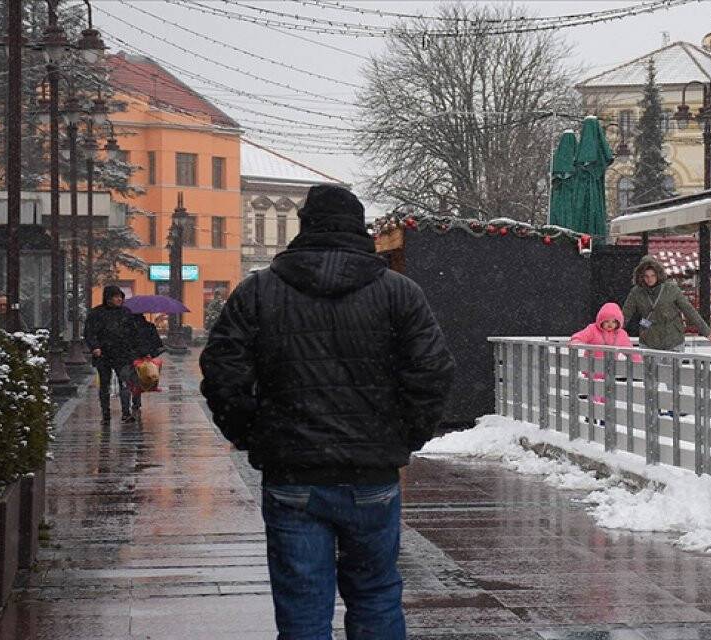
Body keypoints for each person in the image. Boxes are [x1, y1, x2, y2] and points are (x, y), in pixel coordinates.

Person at [200, 184, 455, 640]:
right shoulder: (399, 293)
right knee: (376, 594)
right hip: (370, 472)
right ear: (359, 229)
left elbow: (223, 369)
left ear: (304, 227)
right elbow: (432, 370)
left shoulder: (259, 291)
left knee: (302, 605)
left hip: (292, 470)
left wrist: (251, 432)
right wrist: (403, 435)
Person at [620, 255, 711, 352]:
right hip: (648, 340)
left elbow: (689, 310)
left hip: (673, 340)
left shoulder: (671, 289)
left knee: (673, 363)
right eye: (646, 276)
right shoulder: (636, 292)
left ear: (658, 274)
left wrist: (706, 331)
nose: (650, 279)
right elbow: (626, 313)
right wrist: (615, 329)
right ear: (641, 276)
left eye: (653, 275)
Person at [85, 285, 142, 425]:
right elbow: (89, 333)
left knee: (125, 383)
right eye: (116, 296)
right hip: (103, 355)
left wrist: (136, 350)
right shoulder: (96, 313)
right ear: (108, 298)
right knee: (105, 384)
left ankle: (126, 413)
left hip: (122, 354)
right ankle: (105, 414)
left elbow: (134, 333)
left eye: (120, 296)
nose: (119, 299)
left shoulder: (126, 313)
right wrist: (95, 347)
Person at [569, 302, 639, 404]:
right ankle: (593, 412)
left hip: (609, 372)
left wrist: (639, 363)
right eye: (606, 321)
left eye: (614, 321)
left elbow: (630, 351)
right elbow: (579, 336)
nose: (610, 324)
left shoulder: (621, 334)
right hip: (592, 371)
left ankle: (605, 413)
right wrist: (576, 342)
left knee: (608, 398)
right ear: (600, 320)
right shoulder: (592, 329)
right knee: (595, 397)